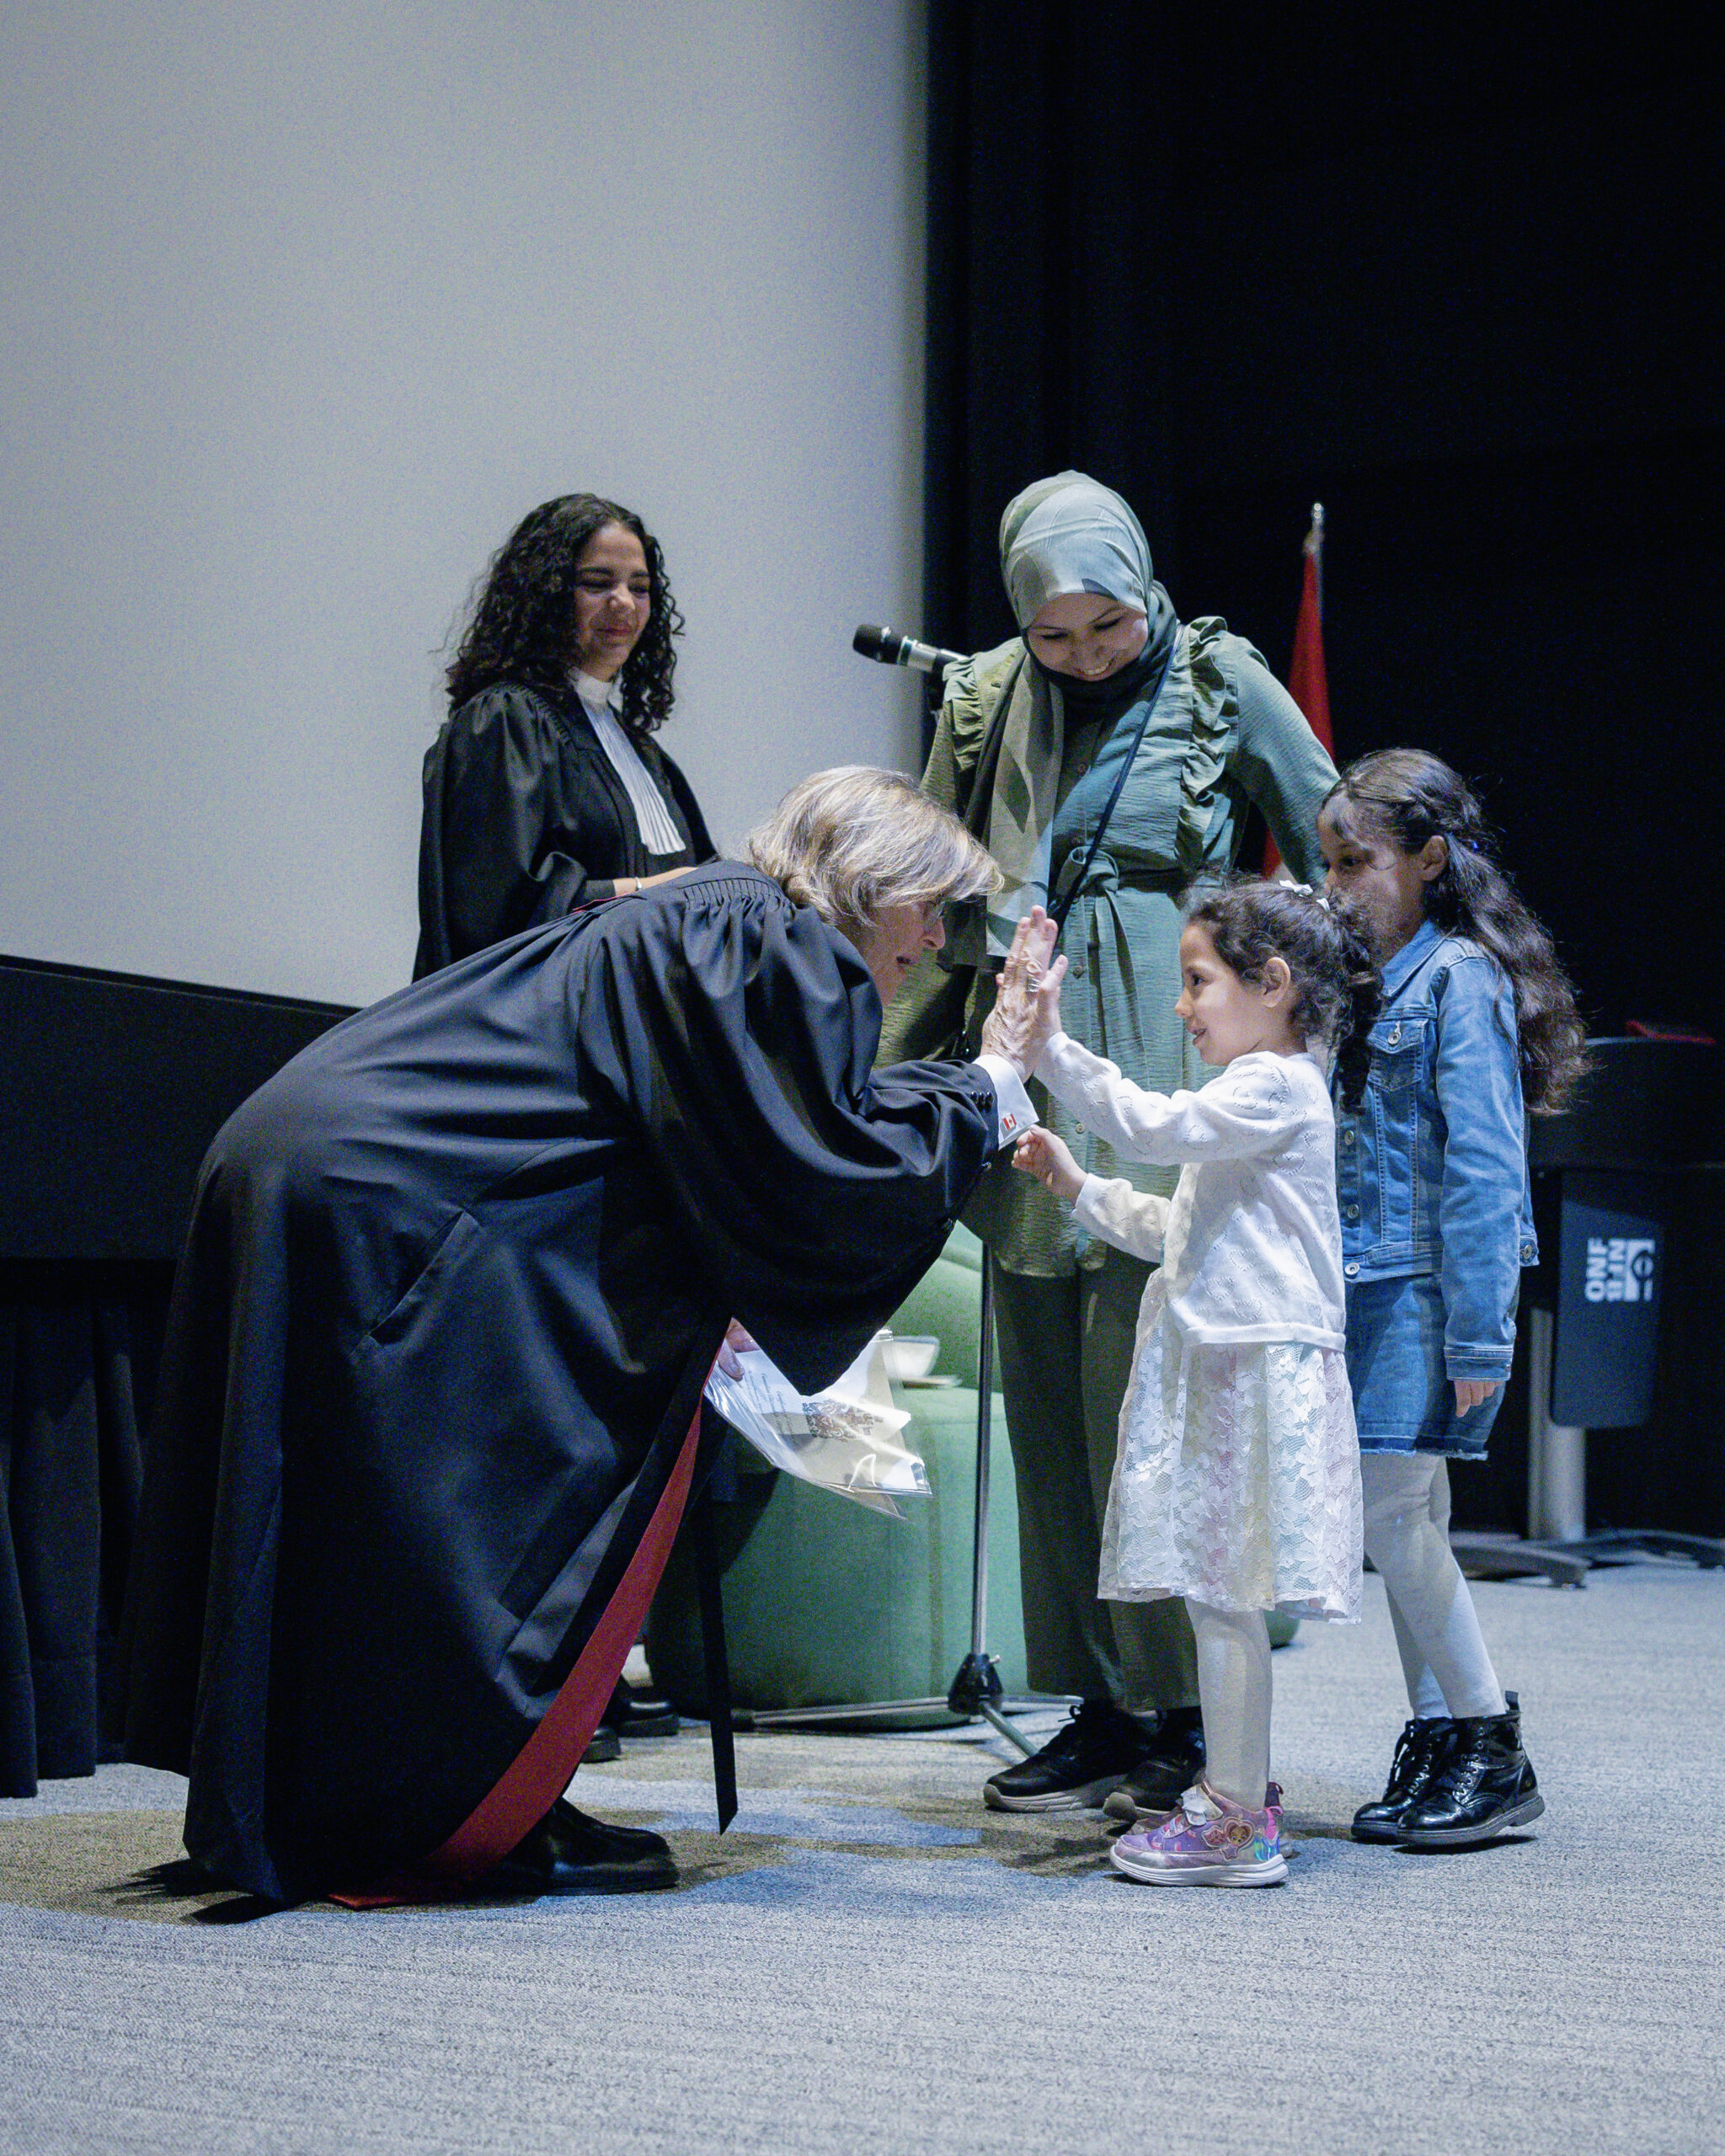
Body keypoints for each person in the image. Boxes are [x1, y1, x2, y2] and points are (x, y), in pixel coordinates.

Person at [120, 770, 1045, 1907]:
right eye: (931, 904)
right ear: (872, 879)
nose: (940, 936)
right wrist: (990, 1082)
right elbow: (820, 1169)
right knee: (447, 1516)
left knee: (336, 1525)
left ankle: (346, 1806)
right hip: (397, 1199)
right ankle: (429, 1816)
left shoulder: (710, 915)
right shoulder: (773, 941)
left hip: (322, 1160)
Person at [879, 472, 1339, 1817]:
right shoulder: (983, 699)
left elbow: (1330, 829)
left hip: (1175, 1054)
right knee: (1046, 1406)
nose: (1083, 656)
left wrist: (1295, 1008)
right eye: (1056, 634)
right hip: (1029, 1041)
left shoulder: (1216, 679)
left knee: (1145, 1398)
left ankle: (1186, 1712)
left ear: (1145, 589)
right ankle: (1090, 1700)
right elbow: (930, 863)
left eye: (1106, 625)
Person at [1007, 883, 1377, 1885]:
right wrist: (1074, 1188)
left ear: (1272, 984)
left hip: (1247, 1366)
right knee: (1224, 1595)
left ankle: (1230, 1819)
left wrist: (1047, 1050)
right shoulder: (1260, 1095)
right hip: (1229, 1358)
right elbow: (1175, 1228)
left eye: (1197, 981)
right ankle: (1237, 1797)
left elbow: (1148, 1125)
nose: (1183, 1005)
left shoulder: (1273, 1084)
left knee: (1222, 1593)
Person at [1317, 748, 1587, 1847]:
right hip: (1368, 1284)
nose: (1338, 885)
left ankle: (1488, 1738)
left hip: (1426, 1294)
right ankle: (1438, 1733)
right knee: (1407, 1519)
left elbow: (1486, 1167)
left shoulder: (1458, 979)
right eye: (1328, 862)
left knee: (1394, 1517)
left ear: (1430, 859)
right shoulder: (1374, 977)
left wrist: (1481, 1327)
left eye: (1359, 862)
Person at [414, 492, 714, 979]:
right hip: (534, 1034)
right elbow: (498, 912)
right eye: (598, 583)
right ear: (547, 595)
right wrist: (652, 892)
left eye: (639, 588)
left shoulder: (641, 751)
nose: (623, 602)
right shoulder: (506, 721)